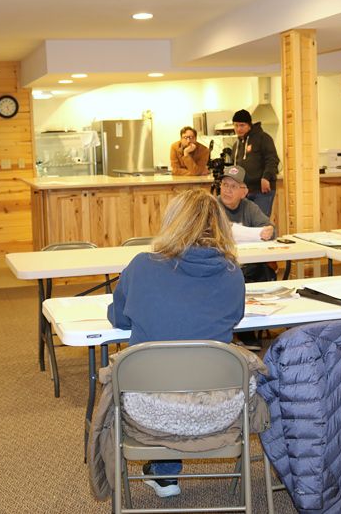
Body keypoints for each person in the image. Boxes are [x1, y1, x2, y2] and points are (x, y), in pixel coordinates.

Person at [107, 188, 245, 498]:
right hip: (217, 407)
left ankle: (166, 473)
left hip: (148, 410)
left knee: (160, 373)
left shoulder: (142, 266)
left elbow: (119, 318)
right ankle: (165, 471)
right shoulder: (232, 274)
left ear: (173, 222)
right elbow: (235, 317)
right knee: (190, 369)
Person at [216, 164, 276, 350]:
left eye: (233, 187)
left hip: (248, 266)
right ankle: (234, 332)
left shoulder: (250, 207)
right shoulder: (212, 206)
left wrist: (269, 231)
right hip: (220, 266)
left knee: (263, 271)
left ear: (244, 192)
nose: (227, 190)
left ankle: (249, 328)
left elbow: (270, 228)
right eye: (225, 185)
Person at [231, 109, 280, 217]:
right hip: (244, 191)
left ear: (249, 125)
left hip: (262, 190)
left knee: (260, 223)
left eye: (242, 125)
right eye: (236, 125)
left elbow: (272, 159)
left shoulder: (263, 138)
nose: (239, 129)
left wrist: (266, 177)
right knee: (246, 224)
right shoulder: (236, 145)